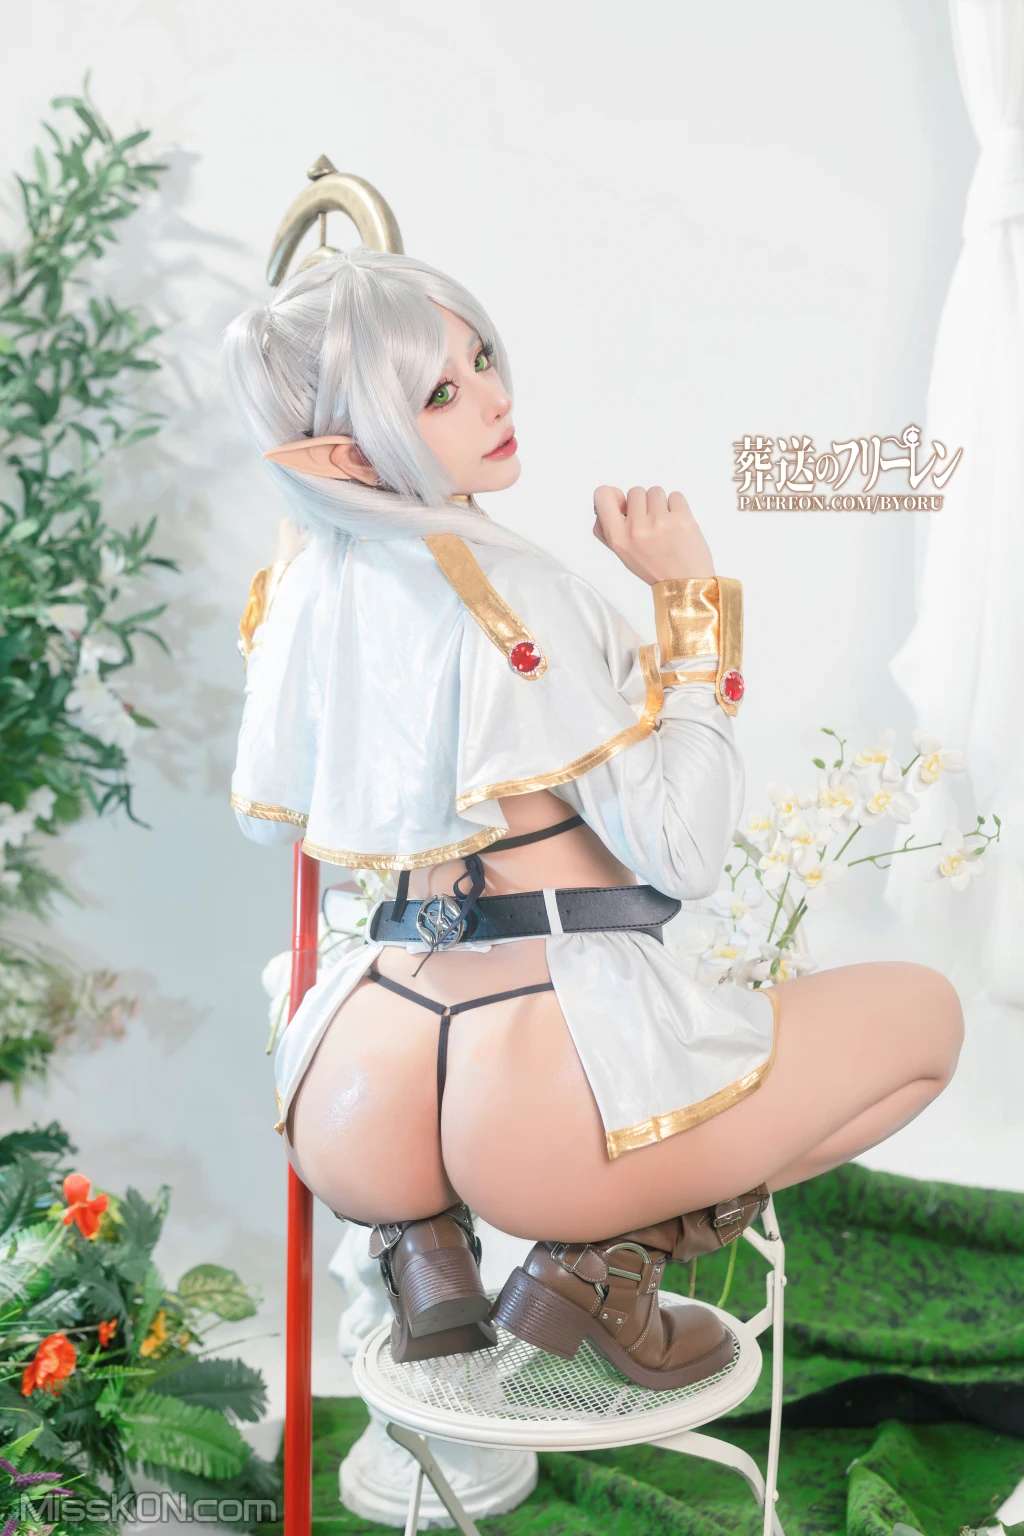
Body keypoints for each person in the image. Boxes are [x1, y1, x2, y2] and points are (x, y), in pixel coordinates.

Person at [222, 248, 964, 1389]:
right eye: (440, 392)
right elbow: (686, 851)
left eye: (479, 359)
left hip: (353, 1090)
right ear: (349, 456)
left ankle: (417, 1244)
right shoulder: (518, 590)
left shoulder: (302, 591)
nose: (494, 398)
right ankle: (605, 1264)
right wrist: (687, 598)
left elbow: (275, 828)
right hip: (535, 1095)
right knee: (925, 1022)